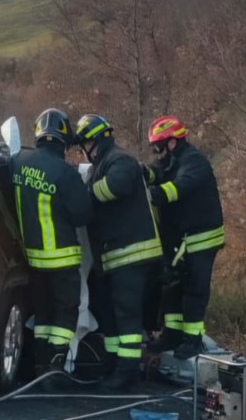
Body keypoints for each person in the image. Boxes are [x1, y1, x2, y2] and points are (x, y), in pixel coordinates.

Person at [75, 113, 164, 392]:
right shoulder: (104, 162)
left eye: (85, 144)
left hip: (133, 255)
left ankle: (127, 372)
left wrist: (86, 193)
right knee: (111, 311)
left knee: (127, 313)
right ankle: (114, 363)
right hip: (117, 257)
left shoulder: (119, 160)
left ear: (96, 140)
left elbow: (119, 184)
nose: (84, 151)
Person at [10, 108, 93, 374]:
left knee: (44, 315)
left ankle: (38, 365)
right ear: (63, 139)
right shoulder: (65, 173)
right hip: (62, 259)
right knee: (64, 315)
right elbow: (83, 214)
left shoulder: (18, 163)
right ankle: (55, 369)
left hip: (32, 259)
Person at [146, 115, 225, 360]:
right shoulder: (172, 162)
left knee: (195, 288)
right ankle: (172, 334)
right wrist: (138, 174)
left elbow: (181, 186)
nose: (157, 152)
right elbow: (155, 172)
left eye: (159, 146)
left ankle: (193, 339)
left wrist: (156, 194)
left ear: (172, 142)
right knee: (172, 287)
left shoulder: (194, 162)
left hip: (202, 238)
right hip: (182, 239)